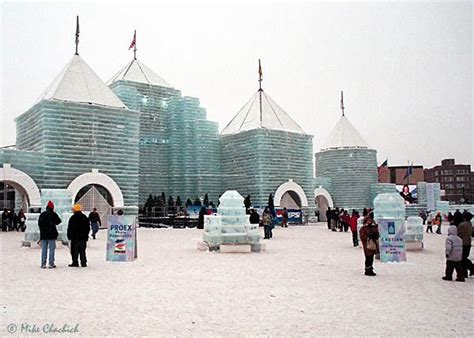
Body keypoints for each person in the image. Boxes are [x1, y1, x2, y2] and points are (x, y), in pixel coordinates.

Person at [38, 201, 61, 269]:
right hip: (51, 234)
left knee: (44, 249)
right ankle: (51, 263)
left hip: (43, 235)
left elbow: (39, 224)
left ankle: (43, 263)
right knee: (51, 249)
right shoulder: (53, 214)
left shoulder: (42, 214)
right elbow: (59, 221)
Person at [457, 212, 473, 278]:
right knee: (464, 258)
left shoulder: (462, 225)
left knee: (462, 259)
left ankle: (471, 269)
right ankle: (465, 272)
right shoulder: (470, 224)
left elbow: (458, 233)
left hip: (462, 243)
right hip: (468, 243)